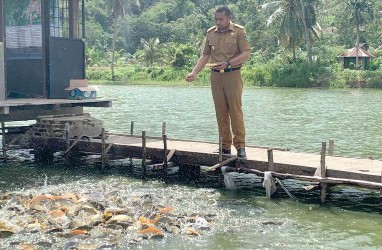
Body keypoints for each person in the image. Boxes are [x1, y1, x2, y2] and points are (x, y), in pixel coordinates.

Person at [186, 6, 250, 159]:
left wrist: (229, 63)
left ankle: (240, 147)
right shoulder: (210, 33)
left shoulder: (239, 32)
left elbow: (246, 54)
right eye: (216, 19)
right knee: (220, 112)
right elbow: (205, 55)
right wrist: (194, 73)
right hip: (215, 76)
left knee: (235, 111)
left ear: (229, 18)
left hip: (232, 74)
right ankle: (225, 147)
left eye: (221, 19)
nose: (218, 22)